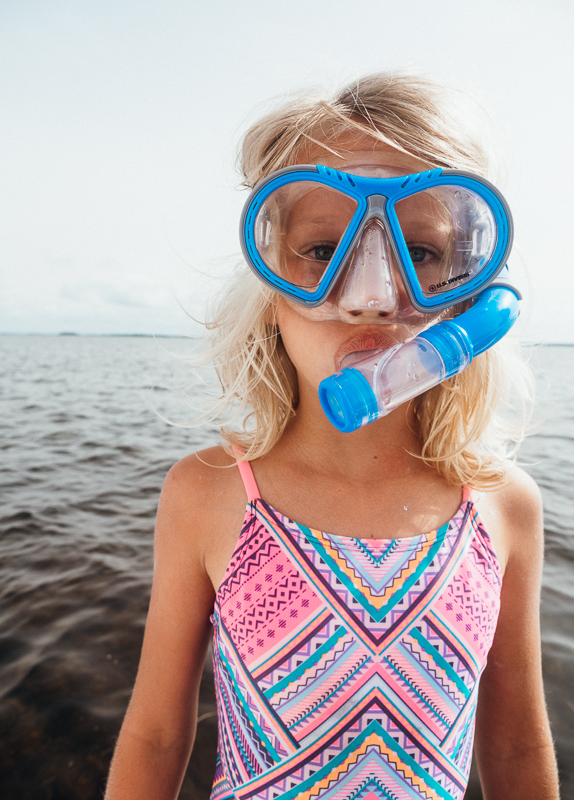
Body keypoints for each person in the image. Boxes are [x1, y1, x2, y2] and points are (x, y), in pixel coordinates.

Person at [105, 72, 560, 800]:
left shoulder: (501, 505)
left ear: (474, 292)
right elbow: (157, 733)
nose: (373, 296)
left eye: (424, 251)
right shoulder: (210, 493)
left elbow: (510, 742)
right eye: (321, 252)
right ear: (270, 282)